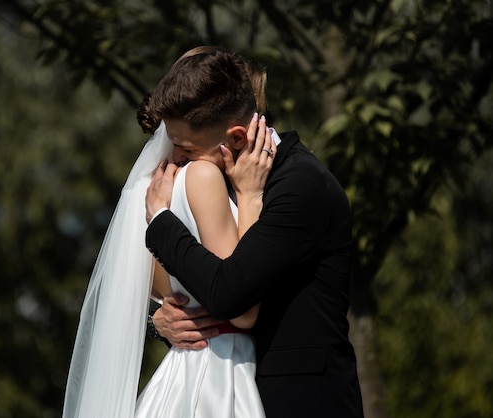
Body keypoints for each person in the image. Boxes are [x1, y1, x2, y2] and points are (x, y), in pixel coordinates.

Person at [145, 46, 365, 417]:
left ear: (234, 139)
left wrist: (161, 219)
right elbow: (167, 283)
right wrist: (159, 321)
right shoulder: (214, 177)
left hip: (302, 402)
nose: (177, 158)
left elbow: (230, 294)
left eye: (186, 148)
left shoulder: (301, 186)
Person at [62, 46, 273, 418]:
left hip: (178, 374)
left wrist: (157, 320)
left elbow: (156, 293)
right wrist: (251, 196)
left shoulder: (154, 190)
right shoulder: (204, 178)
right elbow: (242, 308)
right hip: (222, 376)